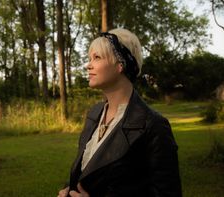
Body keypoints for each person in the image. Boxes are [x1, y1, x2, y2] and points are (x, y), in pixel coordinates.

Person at [57, 28, 182, 197]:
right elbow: (88, 170)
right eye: (89, 58)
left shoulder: (154, 126)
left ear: (120, 64)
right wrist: (69, 188)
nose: (88, 65)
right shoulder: (95, 113)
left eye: (97, 57)